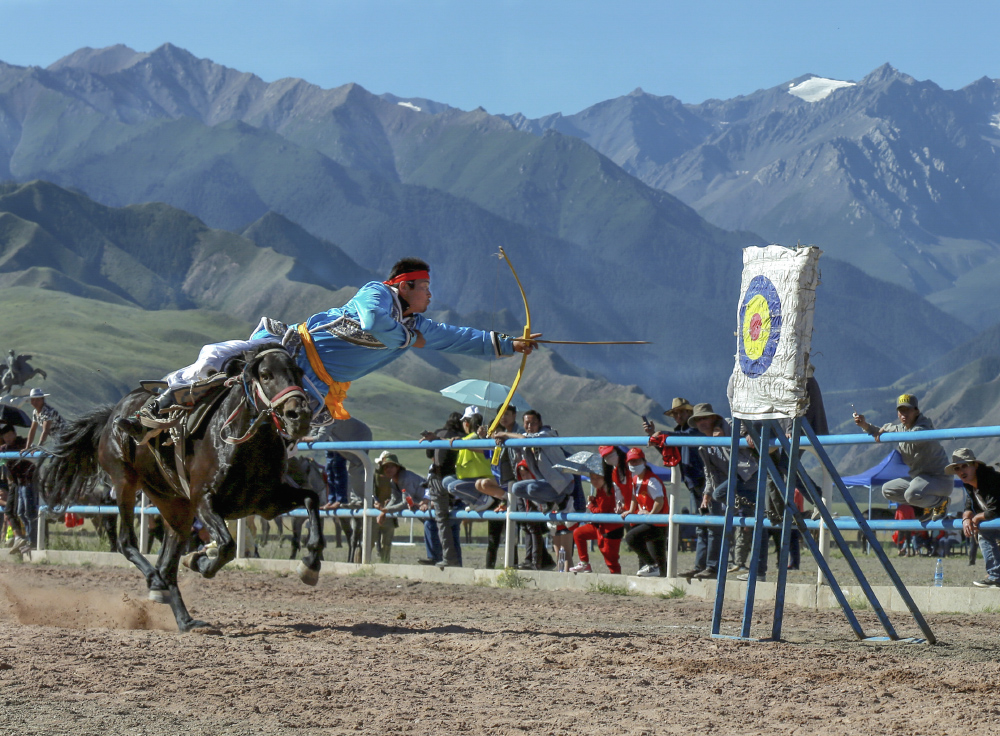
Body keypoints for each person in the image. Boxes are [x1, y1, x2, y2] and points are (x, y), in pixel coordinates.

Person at [689, 403, 765, 581]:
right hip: (737, 482)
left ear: (713, 418)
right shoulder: (705, 445)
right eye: (698, 420)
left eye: (705, 418)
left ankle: (757, 570)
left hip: (749, 475)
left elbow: (749, 432)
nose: (702, 422)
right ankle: (757, 571)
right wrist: (707, 493)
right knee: (751, 525)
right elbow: (711, 473)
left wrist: (733, 439)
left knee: (753, 523)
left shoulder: (729, 425)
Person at [646, 397, 719, 580]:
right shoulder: (681, 432)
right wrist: (659, 438)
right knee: (702, 526)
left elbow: (688, 439)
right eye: (675, 413)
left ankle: (712, 566)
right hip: (695, 482)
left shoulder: (694, 430)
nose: (678, 416)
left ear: (689, 413)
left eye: (681, 412)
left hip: (706, 481)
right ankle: (701, 566)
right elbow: (670, 453)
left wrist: (664, 435)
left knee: (711, 524)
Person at [854, 393, 951, 519]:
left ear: (916, 411)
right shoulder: (901, 429)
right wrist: (865, 425)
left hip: (939, 480)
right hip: (920, 480)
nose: (904, 414)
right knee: (888, 490)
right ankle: (927, 507)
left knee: (911, 494)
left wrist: (889, 429)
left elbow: (915, 435)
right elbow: (880, 431)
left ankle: (941, 502)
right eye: (901, 410)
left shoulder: (924, 427)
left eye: (908, 410)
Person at [948, 448, 1000, 587]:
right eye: (957, 468)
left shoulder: (991, 479)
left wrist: (976, 519)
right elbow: (969, 506)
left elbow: (995, 509)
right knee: (984, 532)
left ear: (975, 465)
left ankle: (995, 575)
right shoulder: (970, 484)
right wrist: (966, 519)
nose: (961, 471)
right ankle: (995, 574)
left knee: (983, 531)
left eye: (965, 466)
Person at [620, 448, 667, 577]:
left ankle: (652, 566)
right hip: (649, 521)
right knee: (658, 555)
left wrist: (651, 514)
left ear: (644, 462)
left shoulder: (652, 480)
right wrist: (630, 510)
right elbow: (635, 497)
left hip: (657, 523)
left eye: (636, 461)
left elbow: (659, 500)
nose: (634, 465)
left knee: (631, 537)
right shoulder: (636, 479)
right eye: (631, 462)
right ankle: (657, 571)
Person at [570, 469, 623, 574]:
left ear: (605, 477)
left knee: (610, 559)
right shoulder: (601, 489)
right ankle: (584, 563)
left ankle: (617, 579)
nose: (594, 481)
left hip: (611, 529)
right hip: (601, 526)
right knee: (578, 533)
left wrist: (591, 506)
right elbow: (603, 506)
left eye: (598, 478)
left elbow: (601, 511)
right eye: (592, 478)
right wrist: (594, 500)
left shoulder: (608, 489)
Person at [371, 452, 413, 563]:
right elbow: (371, 492)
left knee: (387, 542)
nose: (387, 468)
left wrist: (389, 505)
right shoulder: (374, 476)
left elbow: (400, 497)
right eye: (385, 465)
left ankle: (385, 565)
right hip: (375, 512)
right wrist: (376, 502)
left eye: (391, 466)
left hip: (390, 511)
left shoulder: (398, 479)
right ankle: (362, 564)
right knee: (369, 541)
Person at [0, 424, 35, 555]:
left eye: (9, 435)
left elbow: (30, 453)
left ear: (14, 434)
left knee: (26, 511)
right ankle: (19, 537)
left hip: (27, 481)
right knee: (11, 511)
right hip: (16, 482)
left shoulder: (24, 443)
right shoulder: (4, 449)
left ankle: (29, 539)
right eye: (5, 436)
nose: (7, 438)